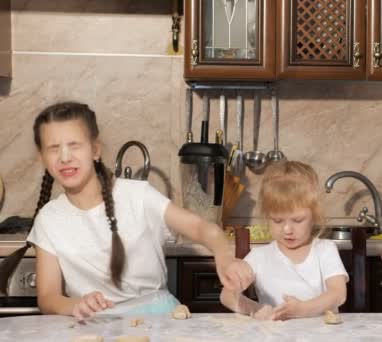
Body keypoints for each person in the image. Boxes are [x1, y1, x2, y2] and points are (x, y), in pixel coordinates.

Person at [0, 102, 253, 320]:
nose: (65, 157)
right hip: (94, 326)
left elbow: (201, 228)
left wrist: (224, 256)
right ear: (43, 157)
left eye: (74, 145)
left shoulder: (138, 196)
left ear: (95, 150)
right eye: (53, 148)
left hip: (159, 321)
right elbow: (48, 297)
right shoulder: (49, 220)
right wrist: (76, 304)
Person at [220, 160, 348, 320]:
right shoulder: (260, 256)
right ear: (267, 217)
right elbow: (227, 295)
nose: (287, 230)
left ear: (314, 215)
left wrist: (304, 309)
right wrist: (256, 308)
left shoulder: (325, 250)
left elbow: (338, 294)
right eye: (278, 221)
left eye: (298, 220)